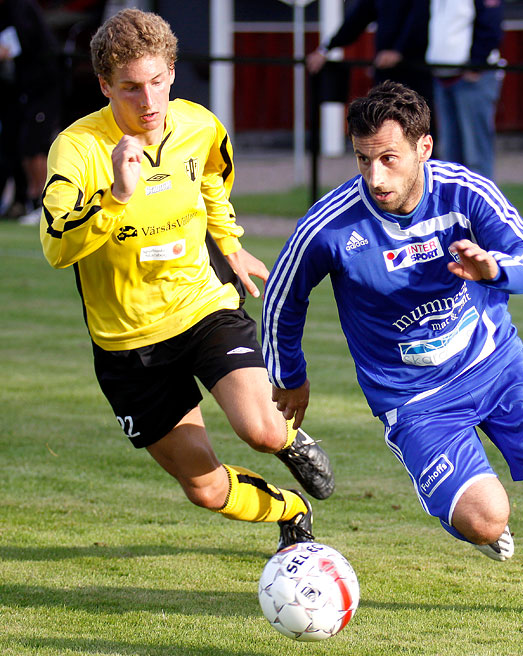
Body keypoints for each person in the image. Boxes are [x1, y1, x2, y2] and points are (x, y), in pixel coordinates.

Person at [261, 81, 523, 624]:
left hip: (495, 364)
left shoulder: (466, 193)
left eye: (389, 158)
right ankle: (463, 515)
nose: (376, 177)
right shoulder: (330, 225)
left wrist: (494, 268)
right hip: (415, 399)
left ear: (424, 148)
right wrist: (289, 374)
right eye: (364, 160)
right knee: (486, 519)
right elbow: (281, 299)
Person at [38, 8, 334, 553]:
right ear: (104, 86)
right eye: (130, 88)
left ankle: (289, 442)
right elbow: (57, 247)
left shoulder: (199, 125)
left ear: (172, 72)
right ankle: (291, 509)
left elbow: (214, 181)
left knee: (263, 430)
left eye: (157, 83)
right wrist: (117, 196)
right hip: (128, 344)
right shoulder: (77, 150)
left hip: (202, 308)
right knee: (204, 488)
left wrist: (230, 243)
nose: (148, 102)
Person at [306, 0, 433, 118]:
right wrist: (326, 48)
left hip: (415, 71)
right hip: (385, 73)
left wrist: (399, 51)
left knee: (414, 123)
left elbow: (421, 17)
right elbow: (357, 19)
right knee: (382, 119)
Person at [426, 0, 504, 180]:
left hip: (471, 79)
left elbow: (491, 23)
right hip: (443, 77)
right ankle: (454, 206)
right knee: (450, 154)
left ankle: (480, 206)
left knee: (475, 152)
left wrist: (477, 63)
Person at [0, 0, 61, 224]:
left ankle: (47, 204)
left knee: (35, 148)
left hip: (44, 89)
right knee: (25, 148)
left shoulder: (23, 9)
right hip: (26, 92)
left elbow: (16, 46)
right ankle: (33, 201)